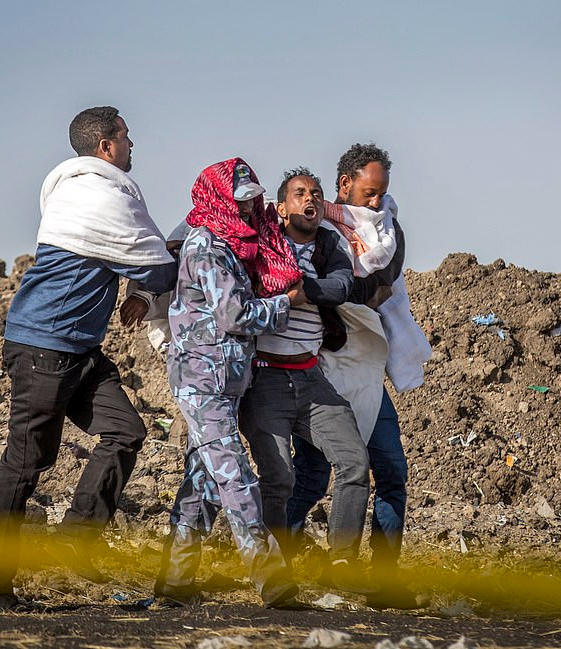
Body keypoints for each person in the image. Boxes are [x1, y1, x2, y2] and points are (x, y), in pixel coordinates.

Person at [0, 106, 178, 608]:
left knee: (127, 430)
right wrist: (168, 261)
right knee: (26, 462)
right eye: (126, 137)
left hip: (79, 349)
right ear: (106, 146)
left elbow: (145, 264)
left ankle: (76, 539)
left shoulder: (82, 190)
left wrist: (147, 284)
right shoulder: (98, 195)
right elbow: (158, 267)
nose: (132, 146)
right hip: (44, 344)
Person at [155, 159, 305, 608]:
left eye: (252, 201)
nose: (247, 210)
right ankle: (273, 581)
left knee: (202, 484)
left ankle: (175, 582)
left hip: (225, 381)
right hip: (202, 382)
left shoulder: (234, 245)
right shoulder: (207, 248)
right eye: (239, 202)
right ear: (219, 199)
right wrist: (284, 304)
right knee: (236, 477)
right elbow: (236, 315)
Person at [288, 143, 431, 609]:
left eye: (381, 195)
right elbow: (327, 285)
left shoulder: (389, 234)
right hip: (326, 366)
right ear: (344, 184)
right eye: (368, 194)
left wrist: (343, 289)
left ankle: (384, 577)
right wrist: (339, 291)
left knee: (392, 471)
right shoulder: (322, 229)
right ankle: (271, 553)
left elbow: (376, 283)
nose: (375, 204)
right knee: (312, 476)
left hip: (367, 369)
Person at [238, 168, 372, 592]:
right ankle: (276, 573)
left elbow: (341, 286)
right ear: (281, 208)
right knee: (278, 479)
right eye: (299, 194)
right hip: (266, 381)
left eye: (315, 193)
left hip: (312, 380)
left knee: (354, 462)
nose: (309, 199)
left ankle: (342, 563)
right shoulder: (261, 244)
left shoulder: (330, 245)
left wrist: (298, 289)